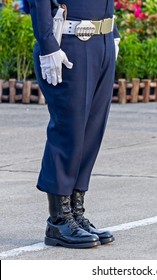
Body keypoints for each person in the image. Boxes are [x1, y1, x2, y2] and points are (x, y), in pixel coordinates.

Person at [25, 0, 120, 248]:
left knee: (91, 131)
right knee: (69, 129)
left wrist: (113, 34)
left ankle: (76, 213)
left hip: (102, 39)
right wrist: (48, 45)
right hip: (68, 42)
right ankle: (59, 219)